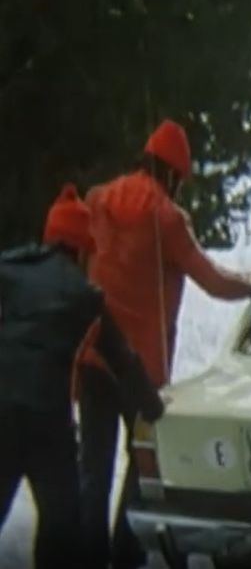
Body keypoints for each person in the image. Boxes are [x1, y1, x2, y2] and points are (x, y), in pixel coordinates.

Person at [79, 119, 251, 569]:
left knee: (92, 470)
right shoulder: (166, 217)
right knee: (143, 467)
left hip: (93, 357)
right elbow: (213, 279)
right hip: (139, 370)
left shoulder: (98, 200)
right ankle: (125, 553)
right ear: (172, 173)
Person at [0, 184, 164, 569]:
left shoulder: (9, 268)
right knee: (62, 526)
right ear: (81, 248)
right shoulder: (83, 295)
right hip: (47, 425)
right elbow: (123, 360)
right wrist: (154, 408)